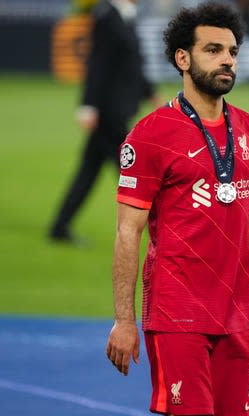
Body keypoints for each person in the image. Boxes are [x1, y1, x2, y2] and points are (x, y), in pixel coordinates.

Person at [105, 2, 249, 416]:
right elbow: (128, 233)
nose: (227, 60)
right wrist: (124, 321)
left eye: (232, 51)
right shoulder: (150, 135)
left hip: (237, 311)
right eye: (213, 49)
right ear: (183, 58)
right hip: (177, 311)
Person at [49, 0, 158, 243]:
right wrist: (88, 106)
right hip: (110, 113)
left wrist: (149, 91)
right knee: (132, 171)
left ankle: (59, 226)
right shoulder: (107, 17)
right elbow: (98, 64)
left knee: (89, 171)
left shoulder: (123, 16)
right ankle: (162, 226)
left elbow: (131, 61)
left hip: (117, 109)